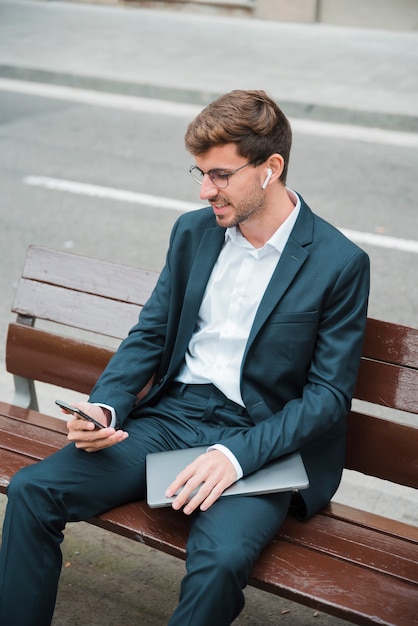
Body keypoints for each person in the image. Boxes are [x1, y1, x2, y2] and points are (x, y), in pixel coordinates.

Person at [0, 89, 370, 626]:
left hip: (260, 444)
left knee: (219, 562)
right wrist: (105, 408)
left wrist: (236, 456)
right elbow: (150, 332)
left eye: (220, 175)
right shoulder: (194, 233)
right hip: (173, 419)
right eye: (198, 173)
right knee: (34, 491)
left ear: (271, 168)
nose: (205, 191)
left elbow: (328, 397)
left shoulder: (338, 262)